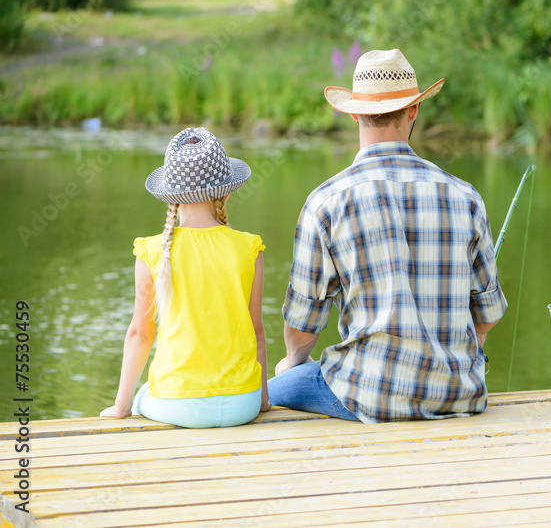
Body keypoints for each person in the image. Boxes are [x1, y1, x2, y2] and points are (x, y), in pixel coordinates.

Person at [268, 48, 507, 423]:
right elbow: (488, 315)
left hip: (366, 394)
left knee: (263, 393)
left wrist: (293, 363)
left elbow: (302, 324)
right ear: (413, 110)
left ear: (352, 112)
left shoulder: (326, 202)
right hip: (458, 395)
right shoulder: (465, 197)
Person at [101, 127, 269, 428]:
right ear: (227, 190)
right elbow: (256, 331)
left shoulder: (152, 251)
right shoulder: (249, 248)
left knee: (141, 397)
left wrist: (121, 406)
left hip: (177, 404)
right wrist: (262, 401)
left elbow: (141, 334)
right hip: (243, 404)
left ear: (170, 195)